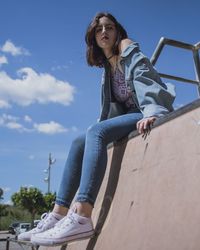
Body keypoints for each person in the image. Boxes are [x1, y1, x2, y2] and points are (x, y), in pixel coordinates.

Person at [18, 12, 175, 246]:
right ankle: (58, 214)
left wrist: (153, 110)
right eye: (99, 29)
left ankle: (82, 215)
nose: (104, 32)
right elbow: (110, 112)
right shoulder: (106, 69)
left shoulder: (127, 47)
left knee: (95, 132)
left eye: (109, 27)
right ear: (93, 37)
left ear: (117, 31)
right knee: (79, 141)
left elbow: (144, 74)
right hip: (129, 117)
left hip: (144, 112)